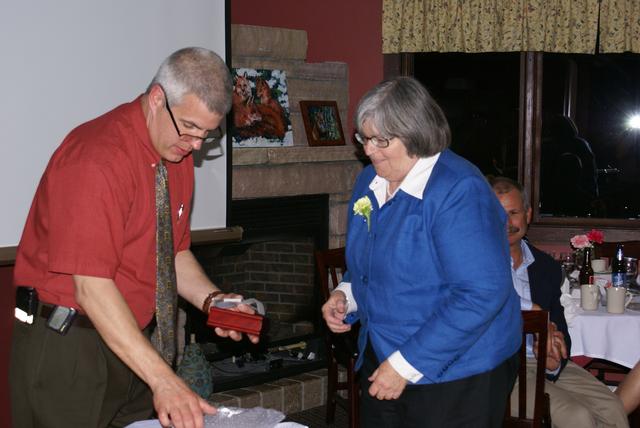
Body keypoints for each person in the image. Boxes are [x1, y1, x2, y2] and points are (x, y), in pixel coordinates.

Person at [10, 47, 259, 428]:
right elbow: (91, 287)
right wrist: (164, 379)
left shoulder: (175, 157)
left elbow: (172, 254)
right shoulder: (96, 160)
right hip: (71, 345)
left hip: (132, 343)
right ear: (158, 99)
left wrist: (214, 301)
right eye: (190, 128)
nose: (196, 144)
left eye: (208, 134)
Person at [321, 76, 522, 428]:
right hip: (383, 352)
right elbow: (367, 261)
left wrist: (404, 365)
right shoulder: (369, 181)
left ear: (416, 135)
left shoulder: (459, 190)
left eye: (381, 140)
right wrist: (347, 294)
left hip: (458, 368)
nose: (368, 150)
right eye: (364, 138)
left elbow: (481, 293)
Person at [489, 176, 628, 428]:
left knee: (613, 408)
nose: (507, 223)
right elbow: (489, 305)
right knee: (578, 417)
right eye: (497, 214)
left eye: (514, 212)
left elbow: (558, 324)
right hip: (500, 368)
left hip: (542, 363)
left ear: (528, 214)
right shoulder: (476, 263)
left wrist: (554, 362)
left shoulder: (547, 267)